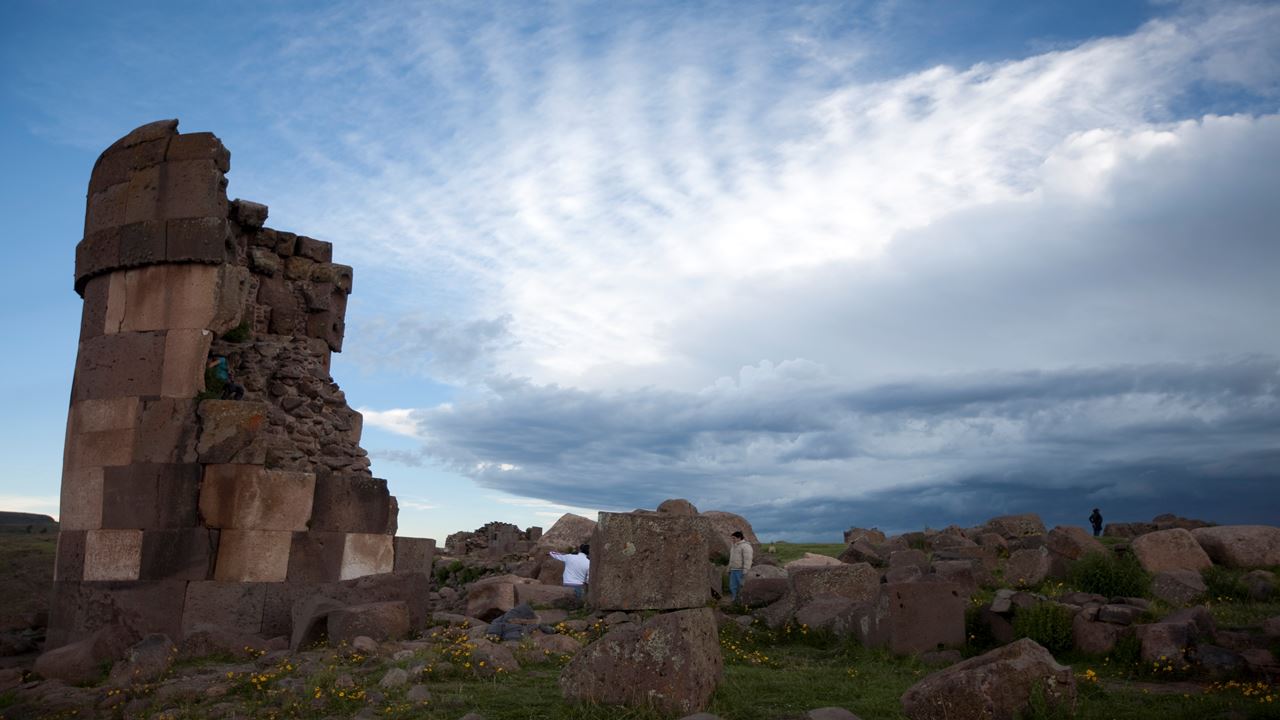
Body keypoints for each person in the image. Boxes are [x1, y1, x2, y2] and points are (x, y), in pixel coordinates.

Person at [728, 530, 753, 602]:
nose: (732, 540)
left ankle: (743, 601)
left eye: (734, 538)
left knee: (742, 586)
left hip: (741, 570)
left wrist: (746, 570)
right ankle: (735, 599)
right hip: (733, 570)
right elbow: (731, 559)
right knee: (732, 586)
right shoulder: (733, 546)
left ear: (739, 538)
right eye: (732, 538)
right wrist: (729, 568)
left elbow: (748, 559)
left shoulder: (746, 546)